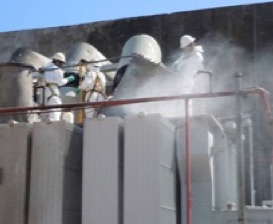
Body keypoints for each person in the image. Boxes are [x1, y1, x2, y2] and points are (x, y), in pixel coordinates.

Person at [41, 52, 75, 121]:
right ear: (56, 61)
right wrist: (68, 79)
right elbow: (60, 83)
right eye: (61, 62)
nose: (62, 65)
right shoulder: (57, 70)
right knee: (55, 115)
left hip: (44, 96)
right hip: (53, 95)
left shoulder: (46, 68)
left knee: (45, 117)